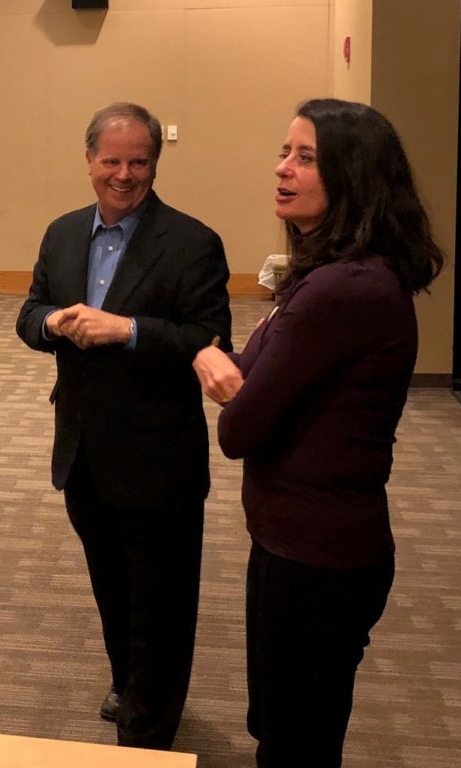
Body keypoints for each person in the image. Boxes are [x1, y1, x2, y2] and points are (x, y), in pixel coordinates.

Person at [193, 99, 444, 767]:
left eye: (306, 158)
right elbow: (268, 371)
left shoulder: (342, 289)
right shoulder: (333, 278)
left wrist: (221, 377)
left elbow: (240, 429)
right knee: (285, 728)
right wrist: (234, 370)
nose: (283, 168)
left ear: (352, 177)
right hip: (300, 543)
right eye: (285, 152)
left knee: (295, 745)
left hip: (318, 559)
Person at [16, 102, 232, 749]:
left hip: (159, 459)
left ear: (155, 164)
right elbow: (30, 312)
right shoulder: (62, 233)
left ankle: (149, 733)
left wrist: (128, 330)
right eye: (111, 161)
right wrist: (52, 323)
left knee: (161, 604)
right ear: (89, 161)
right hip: (83, 453)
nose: (124, 174)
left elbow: (209, 338)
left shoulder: (192, 242)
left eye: (139, 162)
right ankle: (129, 682)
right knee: (112, 588)